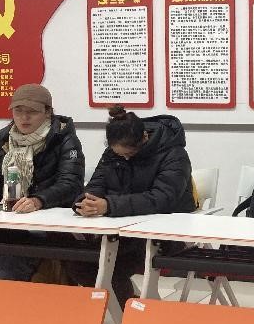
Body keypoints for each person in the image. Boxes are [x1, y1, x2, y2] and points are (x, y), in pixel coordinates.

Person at [66, 105, 195, 305]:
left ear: (144, 138)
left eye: (130, 154)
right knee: (78, 263)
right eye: (120, 155)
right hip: (119, 231)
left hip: (162, 234)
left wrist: (109, 206)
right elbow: (96, 184)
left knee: (109, 267)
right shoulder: (112, 154)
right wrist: (84, 202)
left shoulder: (174, 154)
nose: (125, 158)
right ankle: (128, 308)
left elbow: (162, 198)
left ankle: (133, 311)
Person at [0, 83, 84, 280]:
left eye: (32, 112)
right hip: (9, 222)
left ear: (48, 112)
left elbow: (70, 185)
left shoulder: (65, 140)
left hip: (47, 226)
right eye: (18, 111)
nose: (24, 117)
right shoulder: (5, 141)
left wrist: (38, 200)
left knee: (8, 269)